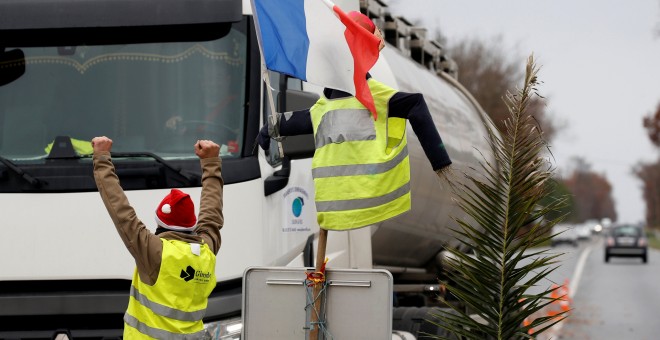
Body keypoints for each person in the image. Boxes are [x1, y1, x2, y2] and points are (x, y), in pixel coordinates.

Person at [257, 11, 452, 231]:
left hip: (333, 209)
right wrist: (440, 161)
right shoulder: (360, 100)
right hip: (372, 201)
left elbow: (300, 121)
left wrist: (269, 129)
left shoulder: (326, 107)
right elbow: (416, 106)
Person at [92, 136, 224, 338]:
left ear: (160, 223)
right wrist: (211, 163)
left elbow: (120, 210)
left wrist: (102, 158)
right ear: (192, 224)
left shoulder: (154, 252)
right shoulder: (207, 251)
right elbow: (212, 213)